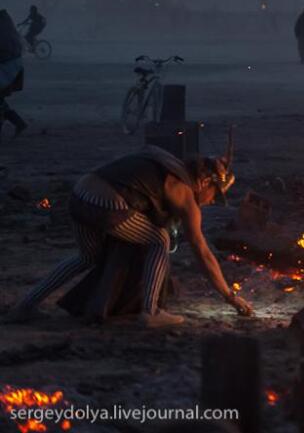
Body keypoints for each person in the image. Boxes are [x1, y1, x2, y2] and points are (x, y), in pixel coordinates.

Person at [5, 139, 253, 327]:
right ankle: (150, 312)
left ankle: (26, 305)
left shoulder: (165, 161)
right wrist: (231, 297)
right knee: (159, 240)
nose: (210, 202)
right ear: (206, 182)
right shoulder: (183, 190)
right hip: (106, 204)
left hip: (80, 194)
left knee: (87, 257)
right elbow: (202, 252)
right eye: (215, 196)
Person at [0, 10, 27, 139]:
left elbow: (4, 50)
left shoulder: (3, 30)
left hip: (7, 68)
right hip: (10, 66)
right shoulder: (6, 25)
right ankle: (18, 122)